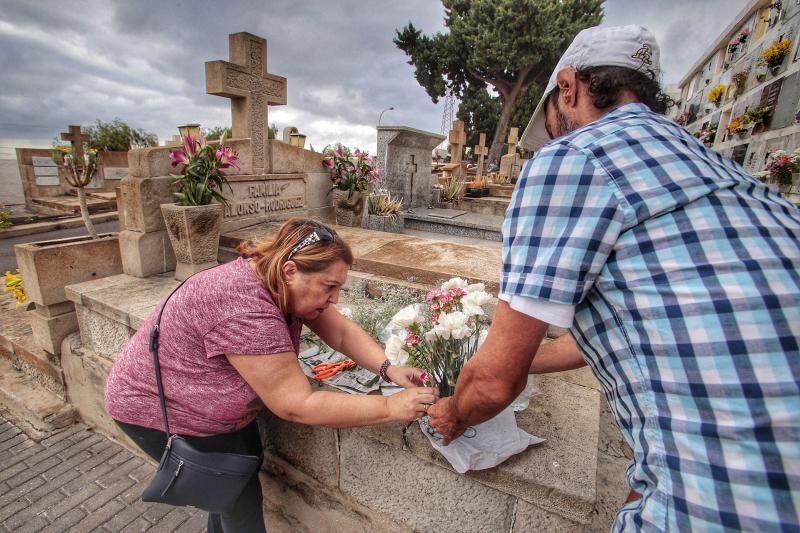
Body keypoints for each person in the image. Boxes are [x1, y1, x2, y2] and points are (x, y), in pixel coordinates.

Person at [428, 24, 800, 531]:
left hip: (719, 506)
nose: (554, 137)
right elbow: (640, 331)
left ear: (568, 87)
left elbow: (493, 384)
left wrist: (455, 412)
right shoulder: (729, 175)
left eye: (552, 124)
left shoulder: (573, 159)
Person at [105, 218, 437, 533]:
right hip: (162, 411)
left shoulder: (276, 278)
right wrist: (392, 408)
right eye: (330, 286)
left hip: (208, 408)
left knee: (230, 488)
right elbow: (298, 404)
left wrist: (389, 369)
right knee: (238, 503)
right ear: (290, 270)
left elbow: (342, 333)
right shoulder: (246, 309)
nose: (335, 298)